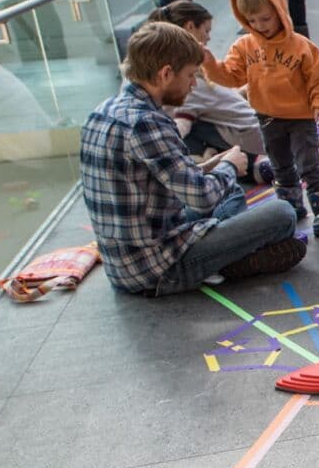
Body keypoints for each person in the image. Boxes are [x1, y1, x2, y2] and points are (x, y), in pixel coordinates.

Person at [79, 22, 304, 296]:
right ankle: (228, 260)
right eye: (190, 75)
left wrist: (209, 166)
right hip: (158, 268)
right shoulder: (147, 123)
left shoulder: (104, 110)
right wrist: (230, 165)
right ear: (165, 74)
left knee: (229, 191)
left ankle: (227, 254)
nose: (194, 83)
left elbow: (152, 181)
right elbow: (202, 197)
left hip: (128, 256)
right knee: (283, 214)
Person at [202, 0, 319, 235]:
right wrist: (210, 64)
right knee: (280, 165)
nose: (258, 26)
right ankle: (290, 208)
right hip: (267, 118)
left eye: (265, 18)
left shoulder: (301, 46)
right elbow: (231, 77)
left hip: (301, 118)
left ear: (279, 10)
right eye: (251, 21)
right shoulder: (244, 46)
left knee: (308, 164)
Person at [144, 1, 271, 183]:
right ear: (189, 26)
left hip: (250, 138)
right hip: (254, 134)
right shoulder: (186, 76)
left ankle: (219, 165)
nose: (209, 38)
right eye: (207, 31)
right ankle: (234, 167)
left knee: (178, 123)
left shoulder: (187, 79)